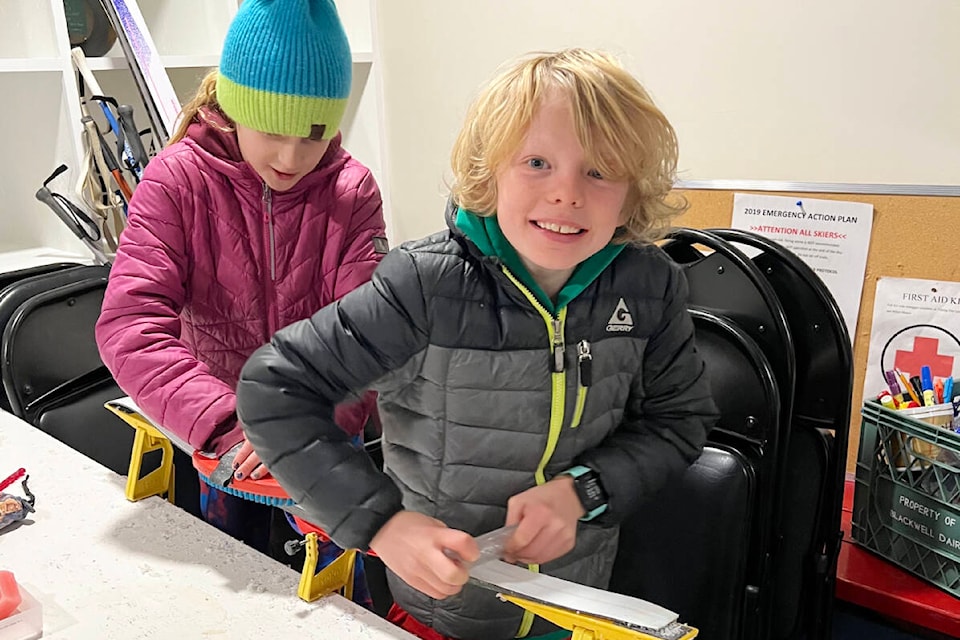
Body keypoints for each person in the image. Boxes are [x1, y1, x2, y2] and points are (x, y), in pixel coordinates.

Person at [236, 48, 718, 639]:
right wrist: (383, 525)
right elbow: (273, 388)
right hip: (442, 612)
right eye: (537, 162)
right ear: (490, 171)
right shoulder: (425, 285)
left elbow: (679, 420)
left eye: (599, 170)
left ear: (631, 190)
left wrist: (584, 491)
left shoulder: (650, 283)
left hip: (576, 604)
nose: (567, 193)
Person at [94, 0, 385, 609]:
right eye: (272, 130)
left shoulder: (352, 190)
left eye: (313, 134)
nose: (291, 158)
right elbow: (130, 325)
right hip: (226, 450)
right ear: (234, 108)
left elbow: (367, 336)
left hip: (327, 448)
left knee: (341, 613)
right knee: (233, 608)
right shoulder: (176, 180)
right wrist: (229, 425)